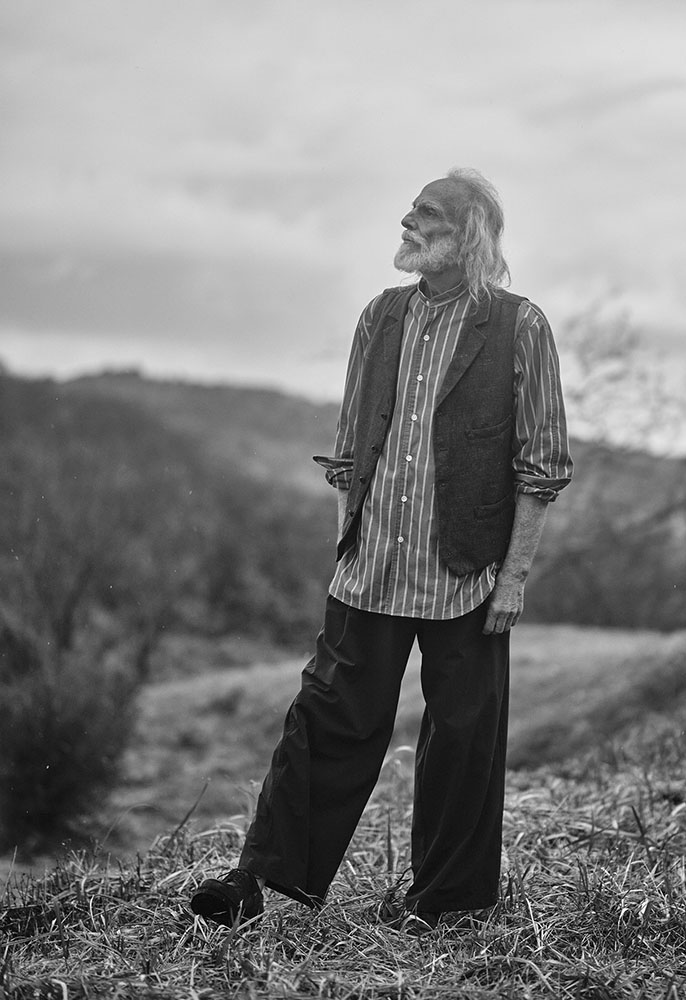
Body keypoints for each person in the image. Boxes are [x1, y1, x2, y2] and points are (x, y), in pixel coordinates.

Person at [190, 167, 572, 935]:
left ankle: (446, 902)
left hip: (466, 575)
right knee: (324, 719)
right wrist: (348, 538)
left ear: (467, 235)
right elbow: (350, 447)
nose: (406, 221)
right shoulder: (381, 316)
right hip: (371, 568)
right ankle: (256, 880)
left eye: (426, 213)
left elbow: (541, 466)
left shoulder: (519, 326)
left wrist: (514, 578)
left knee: (462, 738)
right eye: (410, 210)